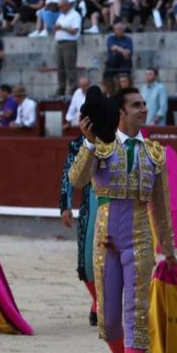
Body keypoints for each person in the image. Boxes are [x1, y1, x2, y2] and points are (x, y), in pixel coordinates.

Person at [68, 86, 177, 353]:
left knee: (135, 313)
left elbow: (161, 206)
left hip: (140, 237)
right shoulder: (100, 147)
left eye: (144, 104)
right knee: (110, 317)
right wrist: (87, 142)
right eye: (136, 105)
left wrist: (169, 252)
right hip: (105, 239)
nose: (143, 109)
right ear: (121, 112)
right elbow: (76, 180)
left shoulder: (155, 153)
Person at [59, 134, 99, 326]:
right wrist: (65, 205)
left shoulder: (124, 139)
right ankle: (99, 301)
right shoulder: (80, 143)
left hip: (121, 206)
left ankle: (105, 303)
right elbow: (69, 174)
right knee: (87, 259)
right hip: (91, 203)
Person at [54, 0, 81, 96]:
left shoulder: (75, 15)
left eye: (61, 6)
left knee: (70, 67)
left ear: (67, 5)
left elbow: (74, 31)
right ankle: (61, 88)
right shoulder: (61, 16)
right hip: (60, 43)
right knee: (60, 68)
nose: (60, 8)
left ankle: (72, 88)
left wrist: (62, 28)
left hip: (69, 43)